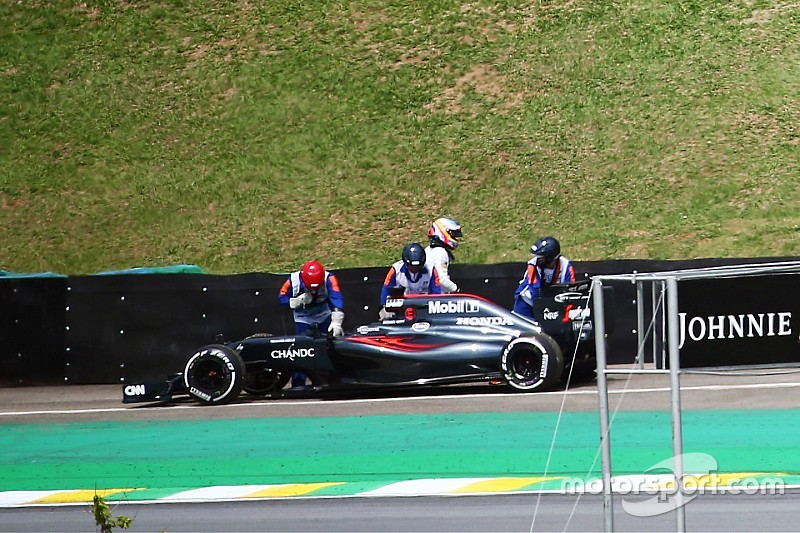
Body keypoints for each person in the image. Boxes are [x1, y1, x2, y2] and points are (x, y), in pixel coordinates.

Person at [278, 259, 345, 388]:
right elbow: (281, 298)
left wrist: (336, 321)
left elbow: (336, 297)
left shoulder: (329, 278)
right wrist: (296, 301)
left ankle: (330, 380)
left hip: (323, 315)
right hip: (303, 317)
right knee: (301, 350)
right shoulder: (293, 280)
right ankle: (298, 383)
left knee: (329, 347)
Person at [513, 236, 576, 320]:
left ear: (550, 258)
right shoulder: (533, 265)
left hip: (551, 302)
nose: (538, 260)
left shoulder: (565, 266)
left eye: (541, 258)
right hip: (527, 302)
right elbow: (535, 289)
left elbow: (571, 291)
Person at [379, 242, 442, 318]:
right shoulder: (396, 270)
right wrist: (383, 307)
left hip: (424, 307)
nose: (414, 269)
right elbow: (386, 289)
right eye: (411, 267)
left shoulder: (431, 270)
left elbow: (436, 293)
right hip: (401, 308)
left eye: (418, 266)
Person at [424, 217, 462, 293]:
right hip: (438, 297)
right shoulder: (441, 252)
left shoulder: (427, 250)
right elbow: (441, 279)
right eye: (453, 235)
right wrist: (457, 290)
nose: (455, 238)